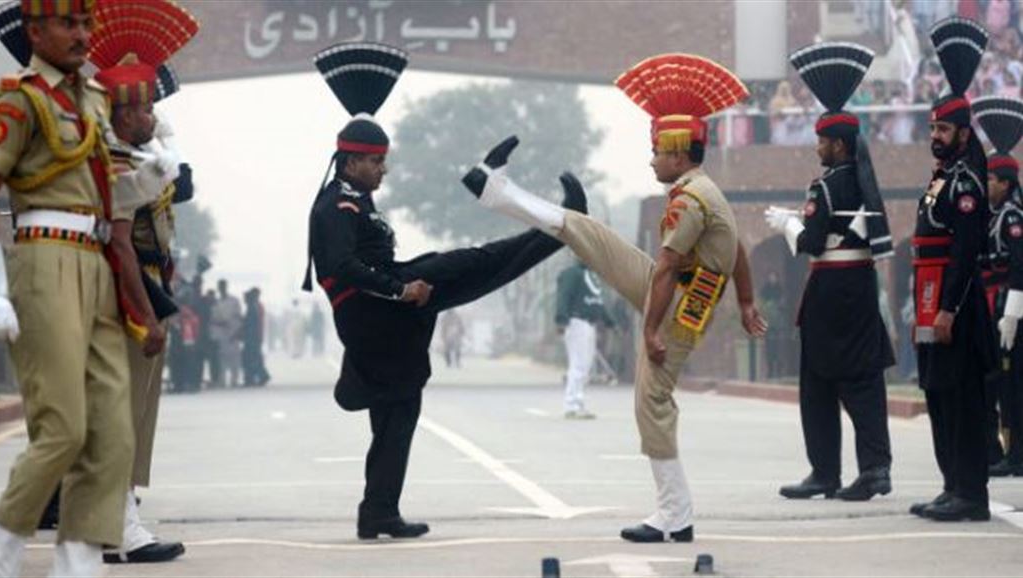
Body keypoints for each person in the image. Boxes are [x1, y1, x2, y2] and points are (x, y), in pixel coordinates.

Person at [464, 52, 767, 543]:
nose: (651, 159)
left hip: (681, 307)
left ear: (677, 151)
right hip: (675, 288)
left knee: (651, 399)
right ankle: (496, 190)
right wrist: (749, 302)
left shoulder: (691, 200)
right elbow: (737, 249)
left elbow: (669, 266)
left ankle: (675, 514)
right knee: (589, 232)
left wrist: (649, 330)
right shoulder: (704, 190)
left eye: (656, 150)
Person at [303, 42, 582, 541]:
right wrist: (399, 289)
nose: (383, 170)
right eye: (376, 163)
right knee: (471, 265)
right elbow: (341, 267)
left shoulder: (353, 199)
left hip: (378, 316)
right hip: (376, 313)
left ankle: (378, 512)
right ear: (351, 163)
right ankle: (556, 226)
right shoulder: (335, 207)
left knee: (398, 410)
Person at [0, 0, 168, 574]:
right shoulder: (18, 99)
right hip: (42, 257)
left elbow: (103, 196)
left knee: (114, 434)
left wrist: (145, 180)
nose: (80, 34)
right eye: (68, 24)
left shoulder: (94, 100)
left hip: (96, 261)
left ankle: (81, 560)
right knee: (63, 428)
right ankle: (2, 545)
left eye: (85, 24)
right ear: (35, 31)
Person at [89, 5, 197, 562]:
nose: (154, 113)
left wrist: (163, 147)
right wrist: (143, 313)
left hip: (149, 280)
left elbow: (182, 191)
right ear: (122, 111)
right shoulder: (113, 160)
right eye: (146, 105)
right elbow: (122, 243)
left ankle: (120, 518)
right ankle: (119, 528)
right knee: (123, 413)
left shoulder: (141, 153)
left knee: (136, 412)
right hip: (127, 289)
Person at [766, 42, 895, 502]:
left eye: (822, 139)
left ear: (837, 144)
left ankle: (825, 471)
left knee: (818, 384)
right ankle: (876, 468)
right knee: (864, 382)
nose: (817, 145)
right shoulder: (861, 181)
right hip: (860, 286)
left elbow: (812, 243)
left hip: (831, 291)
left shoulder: (827, 185)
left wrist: (788, 224)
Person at [910, 16, 996, 522]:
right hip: (930, 301)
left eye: (943, 128)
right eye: (932, 128)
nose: (935, 136)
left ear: (963, 132)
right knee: (939, 396)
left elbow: (964, 252)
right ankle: (950, 485)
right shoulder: (943, 176)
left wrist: (946, 310)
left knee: (963, 401)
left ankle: (972, 494)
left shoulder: (965, 181)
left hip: (954, 307)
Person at [974, 95, 1023, 477]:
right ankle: (1005, 450)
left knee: (1014, 380)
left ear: (1005, 183)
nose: (985, 184)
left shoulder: (1012, 217)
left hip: (1009, 302)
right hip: (993, 299)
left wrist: (1013, 310)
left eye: (990, 178)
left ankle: (1018, 452)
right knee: (1000, 378)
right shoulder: (994, 214)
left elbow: (1018, 263)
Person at [555, 260, 613, 418]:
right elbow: (564, 296)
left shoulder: (592, 276)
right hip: (576, 322)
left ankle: (578, 403)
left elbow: (597, 303)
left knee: (585, 366)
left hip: (589, 324)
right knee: (578, 365)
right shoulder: (572, 274)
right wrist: (561, 319)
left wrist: (608, 321)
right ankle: (571, 405)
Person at [211, 279, 242, 387]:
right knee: (221, 359)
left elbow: (239, 317)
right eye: (220, 286)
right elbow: (212, 319)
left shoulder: (234, 301)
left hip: (233, 333)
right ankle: (222, 380)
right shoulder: (215, 302)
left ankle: (234, 380)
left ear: (226, 286)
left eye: (223, 286)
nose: (222, 288)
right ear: (218, 288)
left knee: (234, 359)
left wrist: (237, 331)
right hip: (220, 334)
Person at [241, 287, 270, 387]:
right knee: (254, 358)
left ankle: (256, 377)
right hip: (255, 337)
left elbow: (250, 324)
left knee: (251, 358)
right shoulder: (257, 306)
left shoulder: (253, 308)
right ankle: (255, 377)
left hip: (252, 338)